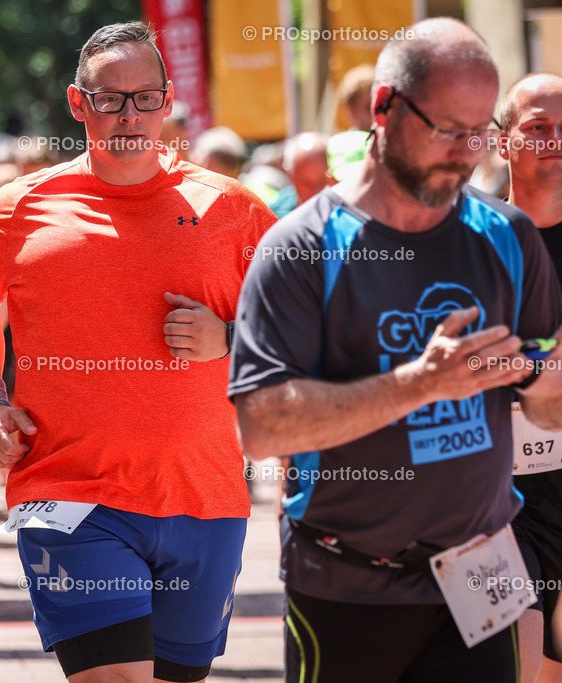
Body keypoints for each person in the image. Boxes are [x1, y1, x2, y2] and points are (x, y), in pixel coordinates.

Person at [229, 19, 562, 682]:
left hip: (480, 578)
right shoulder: (303, 247)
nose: (465, 152)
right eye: (446, 127)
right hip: (348, 585)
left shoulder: (507, 236)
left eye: (476, 132)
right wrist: (420, 384)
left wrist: (543, 377)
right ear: (384, 107)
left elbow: (547, 407)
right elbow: (261, 425)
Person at [0, 21, 275, 682]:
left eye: (144, 98)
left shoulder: (232, 210)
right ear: (78, 102)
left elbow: (302, 325)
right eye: (110, 98)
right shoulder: (20, 209)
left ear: (168, 99)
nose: (129, 114)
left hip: (204, 499)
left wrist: (230, 340)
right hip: (69, 494)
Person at [498, 72, 562, 683]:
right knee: (511, 659)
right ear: (502, 143)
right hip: (485, 499)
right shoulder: (466, 240)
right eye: (537, 128)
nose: (554, 140)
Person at [282, 132, 333, 205]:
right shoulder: (274, 214)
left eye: (322, 182)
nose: (315, 192)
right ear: (290, 176)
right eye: (306, 183)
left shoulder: (346, 211)